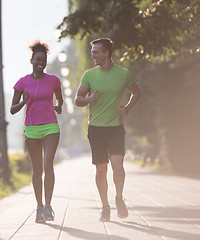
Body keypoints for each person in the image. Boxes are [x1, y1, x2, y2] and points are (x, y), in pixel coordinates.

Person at [74, 38, 141, 222]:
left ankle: (119, 198)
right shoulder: (89, 75)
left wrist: (127, 108)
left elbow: (136, 92)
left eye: (96, 52)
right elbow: (78, 99)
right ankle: (105, 207)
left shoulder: (123, 74)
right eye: (92, 51)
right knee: (100, 170)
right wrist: (89, 100)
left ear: (106, 53)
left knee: (118, 167)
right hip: (96, 129)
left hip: (116, 128)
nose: (93, 55)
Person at [10, 40, 63, 223]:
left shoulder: (54, 81)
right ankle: (39, 207)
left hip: (50, 126)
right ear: (31, 60)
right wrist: (24, 101)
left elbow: (60, 100)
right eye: (38, 59)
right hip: (31, 128)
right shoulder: (22, 83)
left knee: (48, 164)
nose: (41, 62)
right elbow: (12, 109)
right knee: (37, 168)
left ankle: (48, 206)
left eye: (44, 59)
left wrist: (58, 106)